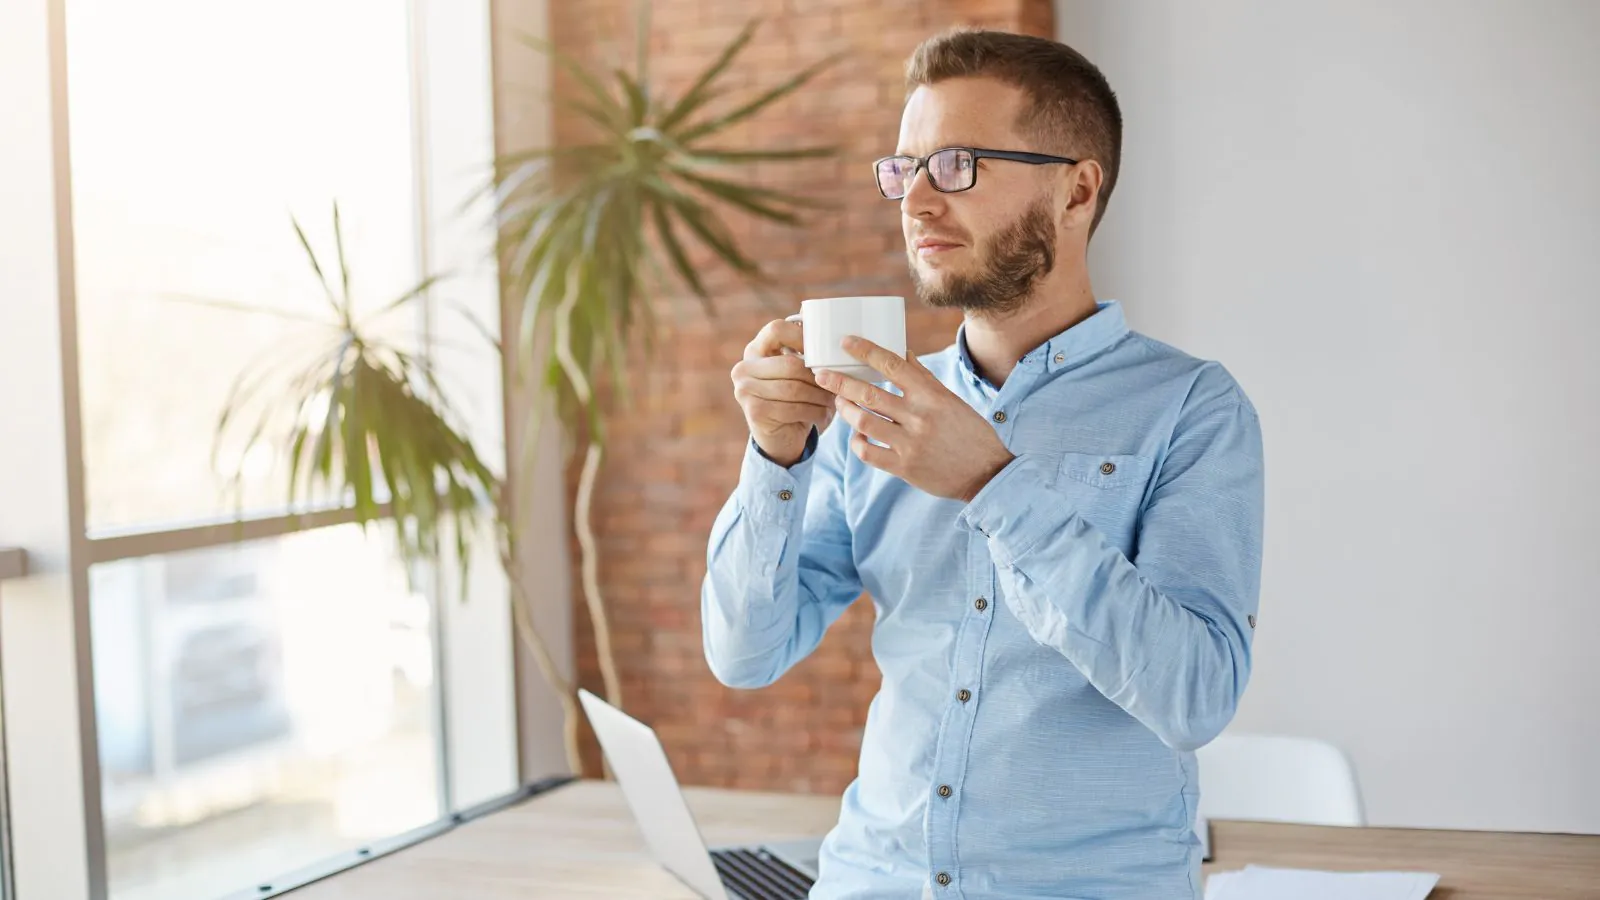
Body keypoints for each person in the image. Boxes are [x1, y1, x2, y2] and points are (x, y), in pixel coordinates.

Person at [702, 27, 1264, 900]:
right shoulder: (879, 402)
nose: (917, 201)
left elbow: (1195, 697)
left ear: (1077, 189)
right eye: (904, 169)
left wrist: (995, 484)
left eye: (957, 166)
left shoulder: (1192, 410)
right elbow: (745, 655)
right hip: (868, 882)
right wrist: (777, 457)